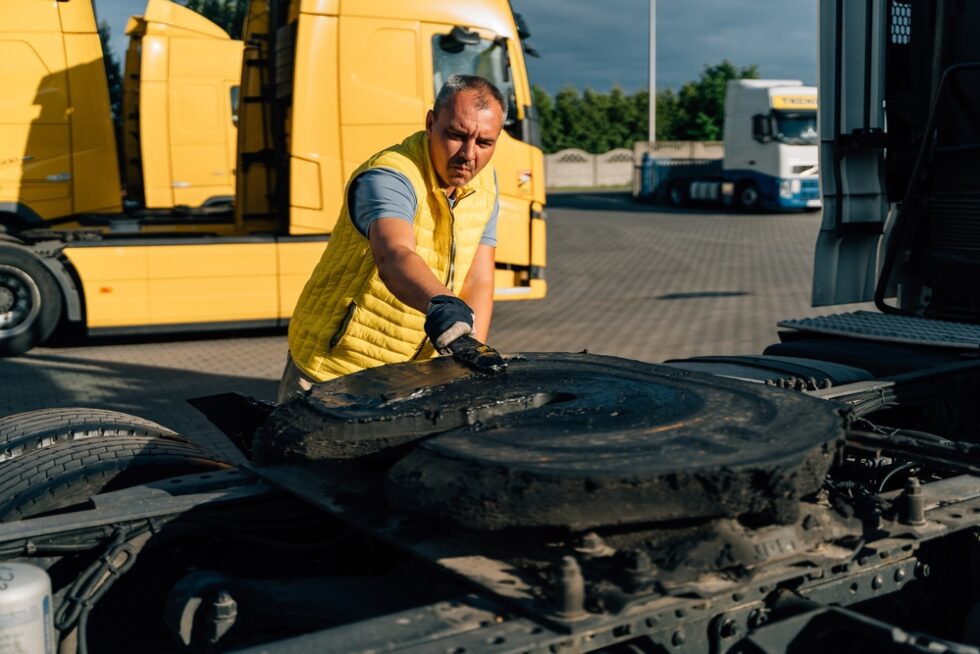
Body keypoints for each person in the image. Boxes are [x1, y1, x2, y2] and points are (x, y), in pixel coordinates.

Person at [278, 75, 506, 402]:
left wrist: (468, 358)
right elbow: (394, 255)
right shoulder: (389, 175)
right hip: (336, 369)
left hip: (413, 375)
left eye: (484, 143)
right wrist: (442, 302)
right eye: (456, 135)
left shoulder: (486, 186)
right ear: (430, 123)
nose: (468, 155)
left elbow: (479, 278)